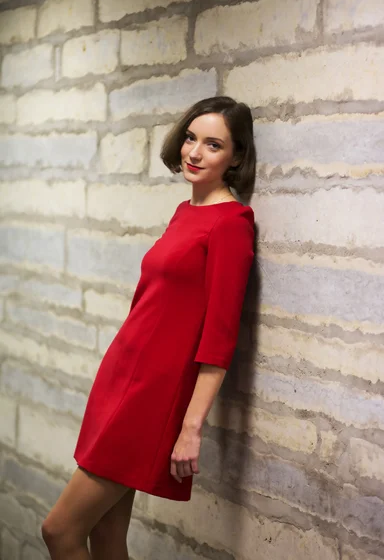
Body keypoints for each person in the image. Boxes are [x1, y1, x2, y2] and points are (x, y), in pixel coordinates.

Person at [42, 96, 257, 560]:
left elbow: (219, 339)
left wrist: (191, 427)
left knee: (58, 532)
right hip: (120, 379)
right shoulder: (185, 212)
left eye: (213, 144)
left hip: (151, 398)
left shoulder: (231, 225)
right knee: (105, 536)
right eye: (191, 138)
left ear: (236, 157)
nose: (194, 153)